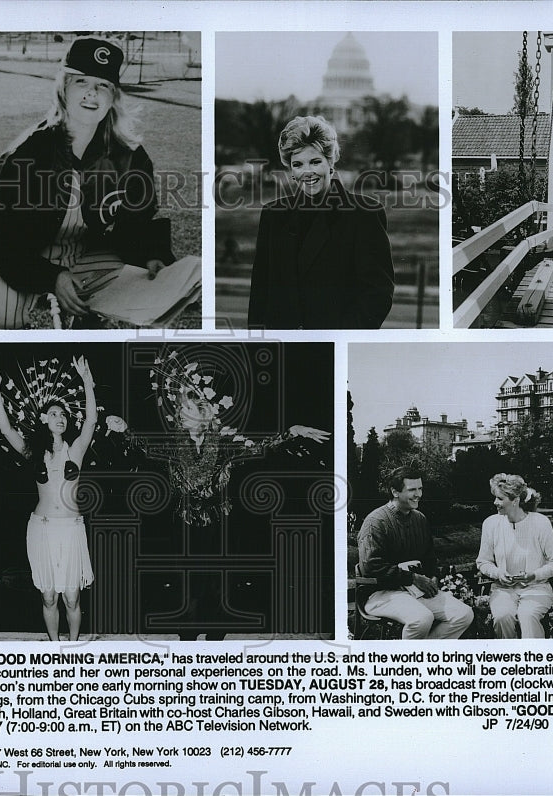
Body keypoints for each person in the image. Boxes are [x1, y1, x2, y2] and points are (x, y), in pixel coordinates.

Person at [104, 348, 330, 640]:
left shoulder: (225, 444)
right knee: (189, 586)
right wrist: (124, 430)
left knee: (218, 586)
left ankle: (214, 640)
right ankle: (187, 639)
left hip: (221, 526)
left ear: (203, 415)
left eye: (187, 410)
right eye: (180, 410)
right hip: (184, 525)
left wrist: (292, 431)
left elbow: (260, 448)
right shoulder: (173, 445)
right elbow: (146, 448)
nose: (180, 414)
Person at [0, 37, 175, 328]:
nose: (91, 94)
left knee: (141, 289)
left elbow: (140, 221)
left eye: (103, 86)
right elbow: (1, 243)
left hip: (87, 255)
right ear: (63, 89)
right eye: (81, 82)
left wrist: (151, 256)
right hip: (27, 256)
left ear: (113, 98)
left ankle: (89, 329)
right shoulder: (26, 154)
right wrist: (51, 277)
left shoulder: (130, 157)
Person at [0, 357, 97, 640]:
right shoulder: (35, 453)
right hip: (42, 528)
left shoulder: (76, 450)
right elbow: (8, 429)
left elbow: (92, 420)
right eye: (55, 413)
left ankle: (71, 649)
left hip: (71, 530)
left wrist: (86, 379)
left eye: (64, 414)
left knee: (72, 597)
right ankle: (54, 647)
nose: (61, 418)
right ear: (45, 419)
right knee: (48, 597)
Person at [248, 115, 394, 329]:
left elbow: (377, 295)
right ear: (291, 171)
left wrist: (338, 336)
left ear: (330, 163)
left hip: (332, 347)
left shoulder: (364, 214)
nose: (307, 172)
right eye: (298, 164)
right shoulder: (273, 214)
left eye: (315, 162)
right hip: (280, 348)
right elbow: (260, 293)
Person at [357, 467, 473, 639]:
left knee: (463, 614)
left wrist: (433, 576)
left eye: (420, 488)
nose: (418, 494)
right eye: (412, 489)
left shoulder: (420, 519)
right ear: (394, 491)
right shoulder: (376, 522)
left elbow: (429, 558)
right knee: (421, 618)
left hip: (415, 590)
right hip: (380, 593)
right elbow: (371, 567)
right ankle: (410, 662)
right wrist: (412, 578)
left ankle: (424, 655)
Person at [476, 474, 553, 639]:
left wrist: (535, 575)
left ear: (515, 500)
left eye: (499, 498)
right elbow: (483, 561)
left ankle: (533, 660)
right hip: (503, 590)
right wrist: (498, 574)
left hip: (537, 588)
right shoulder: (490, 524)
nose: (495, 502)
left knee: (527, 615)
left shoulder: (540, 522)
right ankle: (509, 659)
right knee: (503, 617)